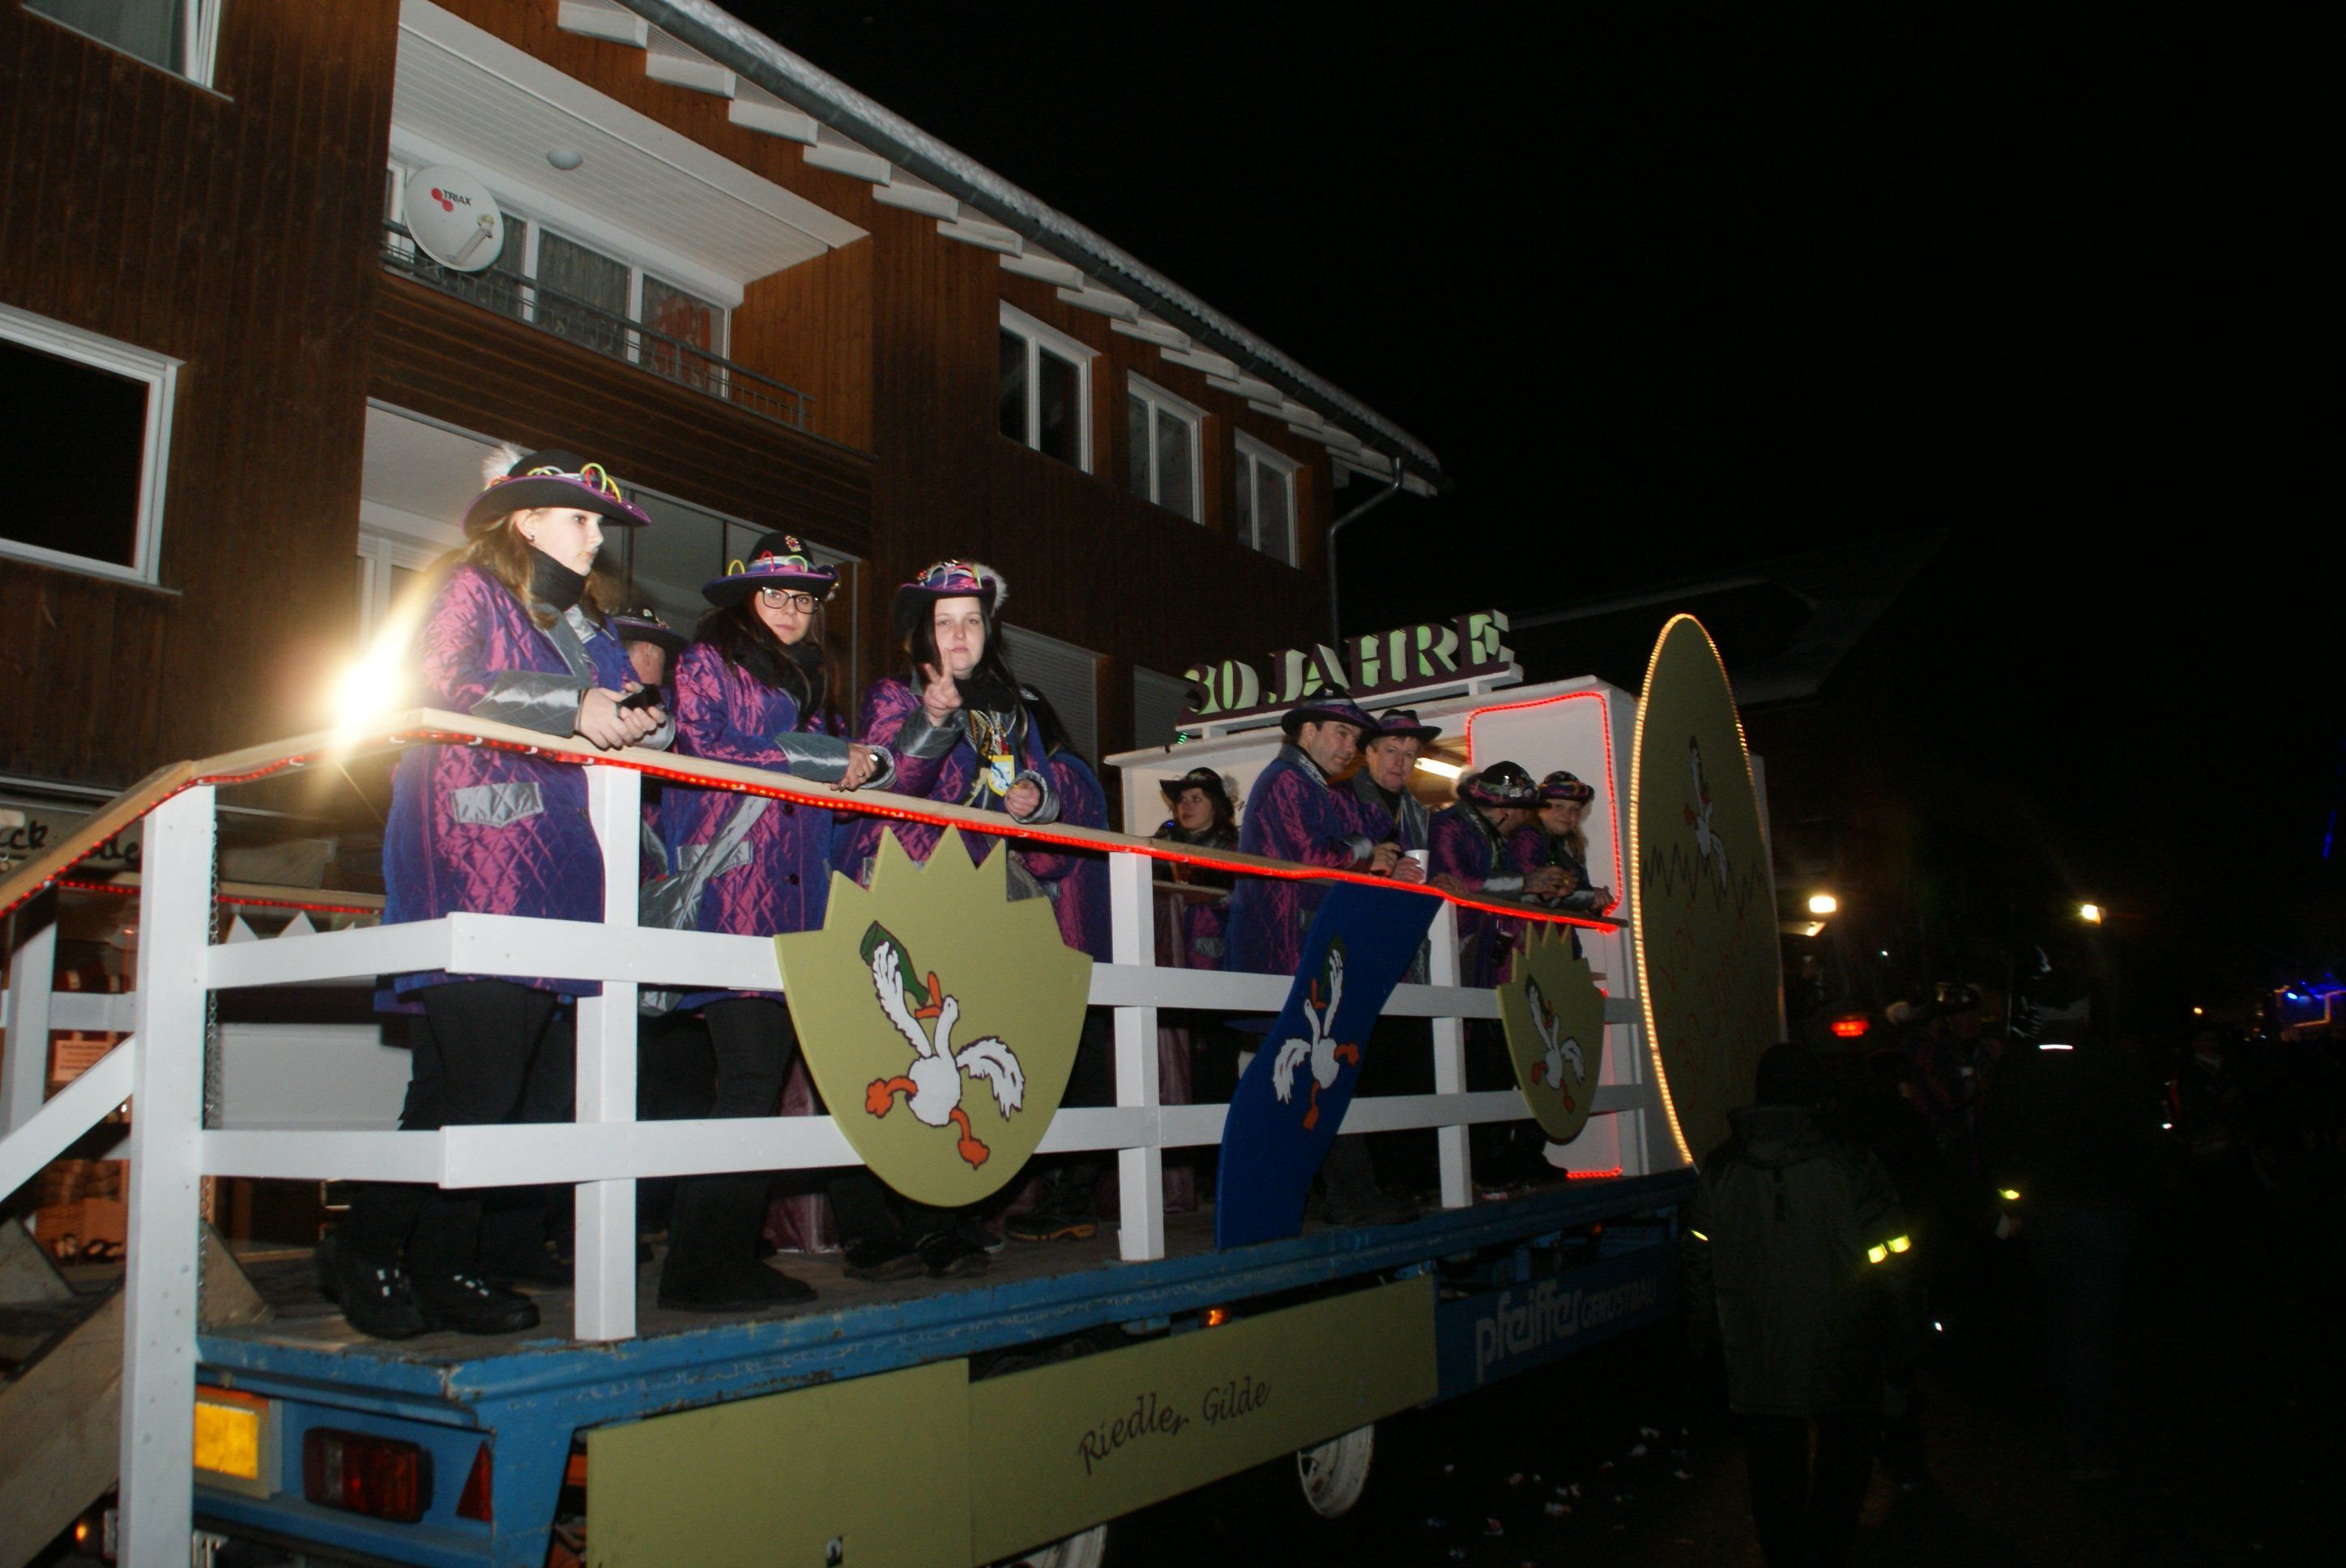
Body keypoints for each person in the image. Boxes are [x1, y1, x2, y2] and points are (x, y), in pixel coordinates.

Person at [327, 449, 672, 1340]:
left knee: (478, 1087)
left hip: (554, 864)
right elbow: (440, 682)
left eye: (599, 523)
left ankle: (433, 1260)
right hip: (471, 851)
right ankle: (375, 1247)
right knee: (481, 1082)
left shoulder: (581, 621)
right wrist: (572, 707)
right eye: (580, 518)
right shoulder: (469, 586)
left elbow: (624, 701)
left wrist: (644, 718)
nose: (596, 537)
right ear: (526, 520)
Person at [656, 534, 891, 1310]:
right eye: (776, 594)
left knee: (756, 1083)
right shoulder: (706, 663)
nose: (792, 609)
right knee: (751, 1079)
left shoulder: (812, 688)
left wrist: (864, 773)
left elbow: (824, 805)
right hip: (735, 897)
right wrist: (826, 761)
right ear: (745, 600)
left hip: (797, 905)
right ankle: (702, 1267)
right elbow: (709, 749)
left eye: (805, 599)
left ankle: (715, 1257)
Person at [826, 559, 1060, 1280]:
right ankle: (868, 1228)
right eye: (945, 622)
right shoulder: (894, 695)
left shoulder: (1003, 712)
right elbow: (894, 782)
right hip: (894, 890)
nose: (960, 636)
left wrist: (1031, 794)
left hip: (968, 900)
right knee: (868, 1057)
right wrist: (930, 722)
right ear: (922, 636)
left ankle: (939, 1220)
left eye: (972, 622)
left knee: (946, 1060)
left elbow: (1031, 791)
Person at [1685, 1042, 1917, 1568]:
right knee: (1844, 1461)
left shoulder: (1722, 1165)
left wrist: (1701, 1334)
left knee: (1772, 1470)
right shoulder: (1851, 1159)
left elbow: (1698, 1254)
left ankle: (1785, 1556)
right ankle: (1827, 1551)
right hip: (1845, 1339)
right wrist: (1902, 1330)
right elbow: (1892, 1251)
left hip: (1756, 1346)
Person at [1224, 690, 1423, 1225]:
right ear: (1307, 732)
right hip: (1285, 947)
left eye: (1356, 739)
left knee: (1294, 1072)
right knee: (1315, 1071)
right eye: (1342, 734)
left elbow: (1334, 840)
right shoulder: (1289, 781)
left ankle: (1292, 1191)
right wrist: (1369, 852)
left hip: (1289, 946)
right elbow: (1311, 857)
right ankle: (1347, 1195)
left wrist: (1371, 847)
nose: (1349, 747)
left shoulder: (1304, 781)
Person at [1981, 1033, 2158, 1481]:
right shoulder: (2111, 1060)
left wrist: (2011, 1202)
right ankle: (2086, 1437)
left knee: (2062, 1315)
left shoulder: (2020, 1065)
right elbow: (2143, 1132)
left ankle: (2069, 1418)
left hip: (2047, 1209)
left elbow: (1996, 1136)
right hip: (2103, 1208)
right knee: (2092, 1324)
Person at [1004, 684, 1114, 1243]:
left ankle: (1073, 1197)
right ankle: (1067, 1196)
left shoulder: (1063, 773)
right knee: (1069, 1069)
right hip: (1065, 943)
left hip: (1067, 941)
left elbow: (1049, 857)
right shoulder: (1067, 769)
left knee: (1078, 1070)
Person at [1152, 765, 1238, 973]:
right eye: (1182, 799)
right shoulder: (1162, 842)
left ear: (1216, 806)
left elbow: (1242, 903)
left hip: (1212, 959)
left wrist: (1201, 887)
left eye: (1196, 799)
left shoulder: (1234, 849)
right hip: (1163, 954)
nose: (1186, 805)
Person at [1346, 707, 1437, 854]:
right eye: (1391, 751)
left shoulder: (1419, 814)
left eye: (1409, 754)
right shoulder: (1340, 800)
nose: (1399, 762)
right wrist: (1368, 860)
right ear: (1370, 752)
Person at [1532, 769, 1614, 913]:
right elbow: (1533, 897)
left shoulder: (1571, 848)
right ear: (1540, 808)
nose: (1567, 814)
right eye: (1559, 806)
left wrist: (1594, 904)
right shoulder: (1529, 841)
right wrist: (1588, 897)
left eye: (1575, 809)